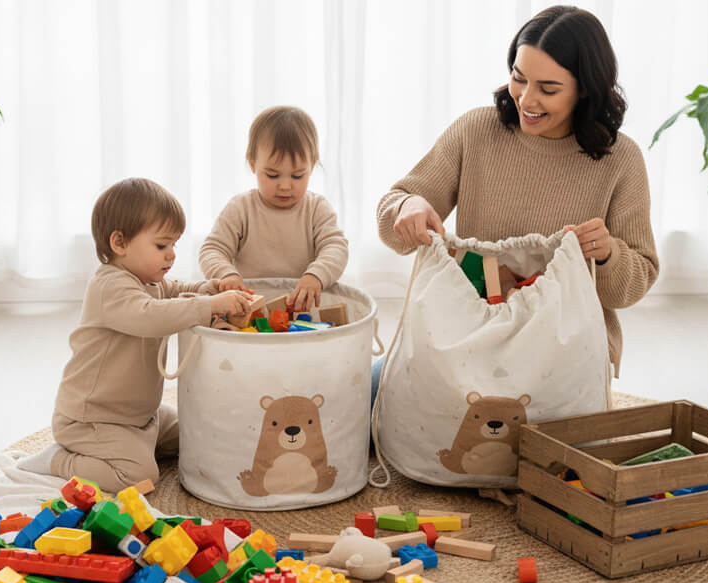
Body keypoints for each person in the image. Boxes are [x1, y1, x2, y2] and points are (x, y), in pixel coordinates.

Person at [372, 5, 658, 404]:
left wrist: (608, 254)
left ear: (586, 88)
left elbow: (637, 280)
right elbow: (394, 212)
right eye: (519, 78)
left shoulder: (621, 159)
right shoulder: (476, 131)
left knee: (530, 446)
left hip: (563, 352)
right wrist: (409, 207)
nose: (526, 98)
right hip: (467, 337)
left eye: (548, 88)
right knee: (367, 394)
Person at [17, 177, 253, 492]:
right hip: (93, 420)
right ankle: (58, 460)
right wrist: (209, 306)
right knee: (139, 477)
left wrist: (209, 289)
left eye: (173, 246)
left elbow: (178, 292)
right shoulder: (109, 286)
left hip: (141, 416)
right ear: (120, 243)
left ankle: (136, 445)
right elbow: (150, 316)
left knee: (196, 431)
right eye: (161, 245)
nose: (171, 255)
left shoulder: (150, 280)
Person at [199, 106, 349, 312]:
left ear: (312, 166)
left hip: (301, 310)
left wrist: (315, 275)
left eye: (297, 176)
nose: (285, 186)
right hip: (248, 310)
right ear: (253, 164)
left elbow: (336, 247)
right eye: (272, 175)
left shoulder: (317, 208)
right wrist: (226, 274)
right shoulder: (240, 208)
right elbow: (212, 249)